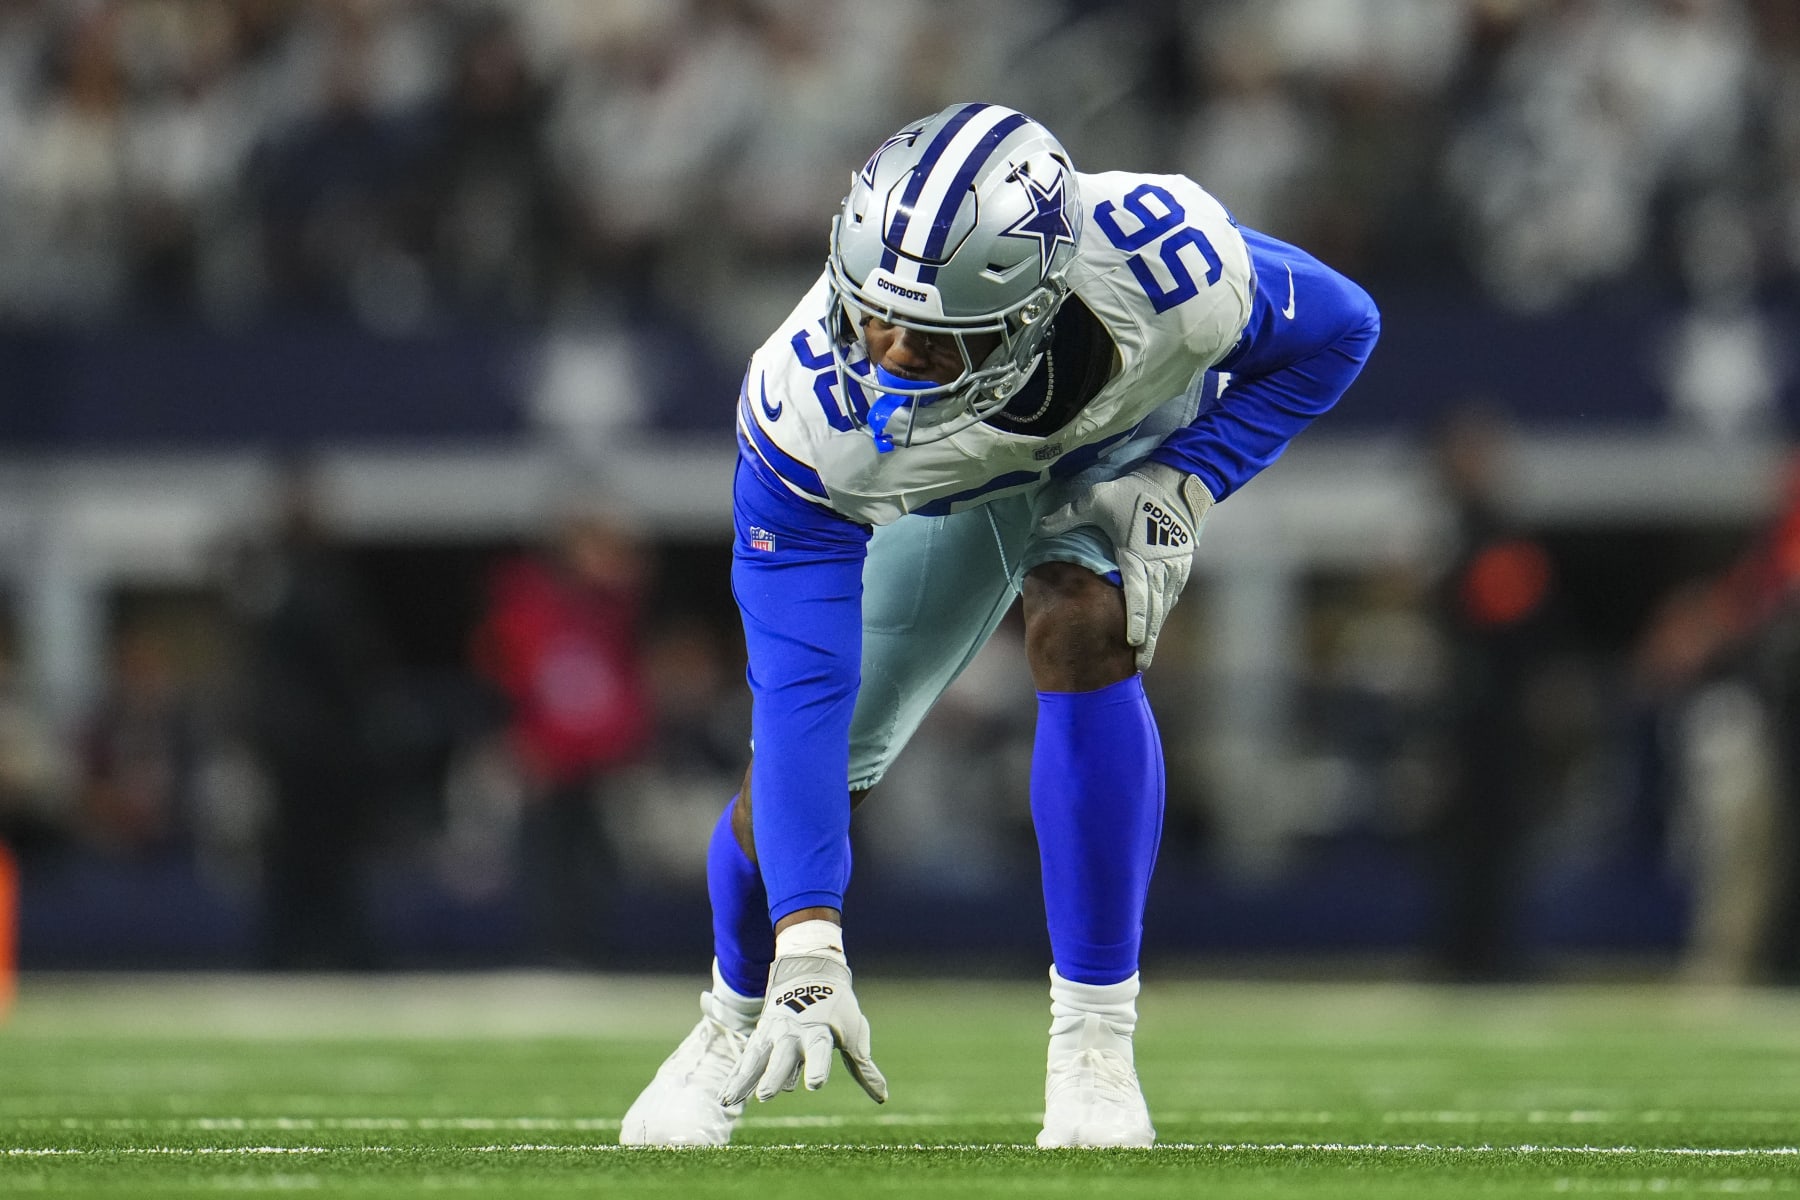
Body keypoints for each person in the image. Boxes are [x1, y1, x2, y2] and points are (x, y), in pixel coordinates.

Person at [619, 102, 1379, 1148]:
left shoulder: (1170, 274)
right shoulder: (806, 413)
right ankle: (725, 1020)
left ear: (1031, 308)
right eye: (868, 311)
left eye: (925, 338)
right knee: (808, 768)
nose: (880, 353)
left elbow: (1340, 330)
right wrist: (809, 942)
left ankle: (1094, 1048)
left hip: (1115, 453)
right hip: (951, 501)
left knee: (1083, 619)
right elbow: (800, 691)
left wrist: (1190, 477)